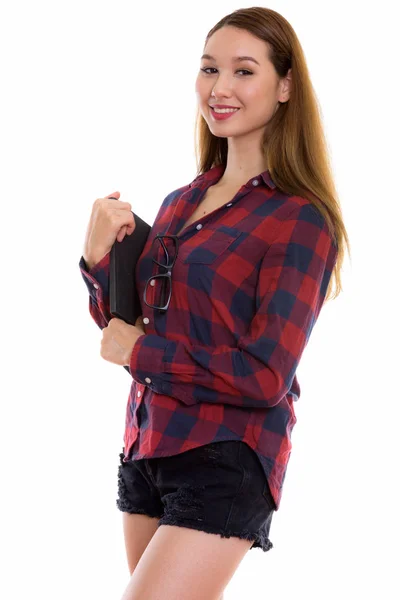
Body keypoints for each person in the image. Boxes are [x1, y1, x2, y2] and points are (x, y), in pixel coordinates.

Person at [79, 6, 350, 600]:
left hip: (225, 453)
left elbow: (264, 376)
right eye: (209, 69)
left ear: (285, 86)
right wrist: (97, 262)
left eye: (243, 71)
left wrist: (141, 350)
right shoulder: (181, 202)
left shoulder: (300, 219)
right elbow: (122, 333)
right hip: (148, 443)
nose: (219, 88)